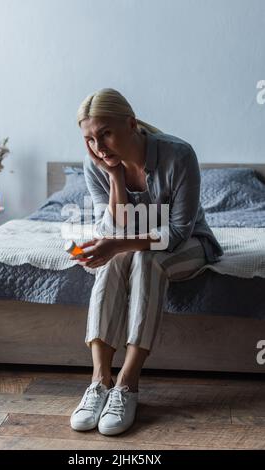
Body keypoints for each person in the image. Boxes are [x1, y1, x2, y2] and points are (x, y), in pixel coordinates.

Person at [70, 88, 223, 436]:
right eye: (90, 139)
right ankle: (99, 380)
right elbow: (113, 228)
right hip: (132, 238)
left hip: (190, 241)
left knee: (146, 261)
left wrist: (117, 244)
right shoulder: (96, 163)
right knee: (111, 262)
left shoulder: (178, 155)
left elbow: (180, 231)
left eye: (106, 133)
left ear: (131, 123)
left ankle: (128, 382)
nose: (99, 146)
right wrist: (114, 176)